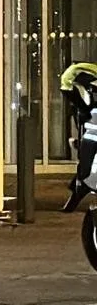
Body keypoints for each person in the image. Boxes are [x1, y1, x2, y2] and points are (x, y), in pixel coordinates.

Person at [62, 61, 97, 211]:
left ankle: (74, 199)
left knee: (85, 172)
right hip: (90, 137)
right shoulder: (84, 98)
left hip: (90, 137)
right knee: (85, 172)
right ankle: (74, 198)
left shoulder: (86, 96)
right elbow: (66, 83)